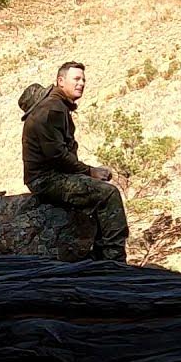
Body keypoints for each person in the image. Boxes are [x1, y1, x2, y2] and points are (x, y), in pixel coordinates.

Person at [20, 61, 128, 262]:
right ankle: (114, 260)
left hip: (48, 177)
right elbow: (57, 155)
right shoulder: (52, 109)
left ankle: (98, 256)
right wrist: (90, 171)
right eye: (76, 79)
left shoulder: (56, 106)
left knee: (94, 194)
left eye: (83, 79)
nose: (82, 83)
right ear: (60, 81)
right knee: (108, 194)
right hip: (47, 180)